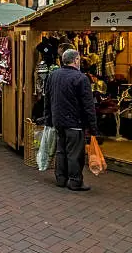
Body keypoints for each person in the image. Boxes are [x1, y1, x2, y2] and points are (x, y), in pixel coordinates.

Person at [44, 49, 98, 191]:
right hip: (74, 122)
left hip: (58, 120)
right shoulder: (81, 78)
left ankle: (61, 178)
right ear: (75, 60)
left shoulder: (53, 75)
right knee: (75, 154)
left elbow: (47, 99)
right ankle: (75, 181)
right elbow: (88, 105)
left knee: (61, 151)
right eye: (79, 59)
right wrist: (93, 127)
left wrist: (48, 119)